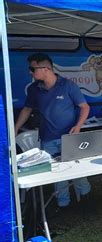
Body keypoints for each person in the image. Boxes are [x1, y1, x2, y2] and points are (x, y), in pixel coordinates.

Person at [14, 53, 91, 209]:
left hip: (69, 137)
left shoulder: (68, 85)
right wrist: (15, 128)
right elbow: (27, 109)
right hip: (47, 138)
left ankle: (86, 198)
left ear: (46, 69)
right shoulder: (34, 89)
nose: (30, 72)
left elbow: (85, 107)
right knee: (56, 172)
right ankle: (63, 203)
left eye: (32, 68)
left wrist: (78, 125)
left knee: (77, 169)